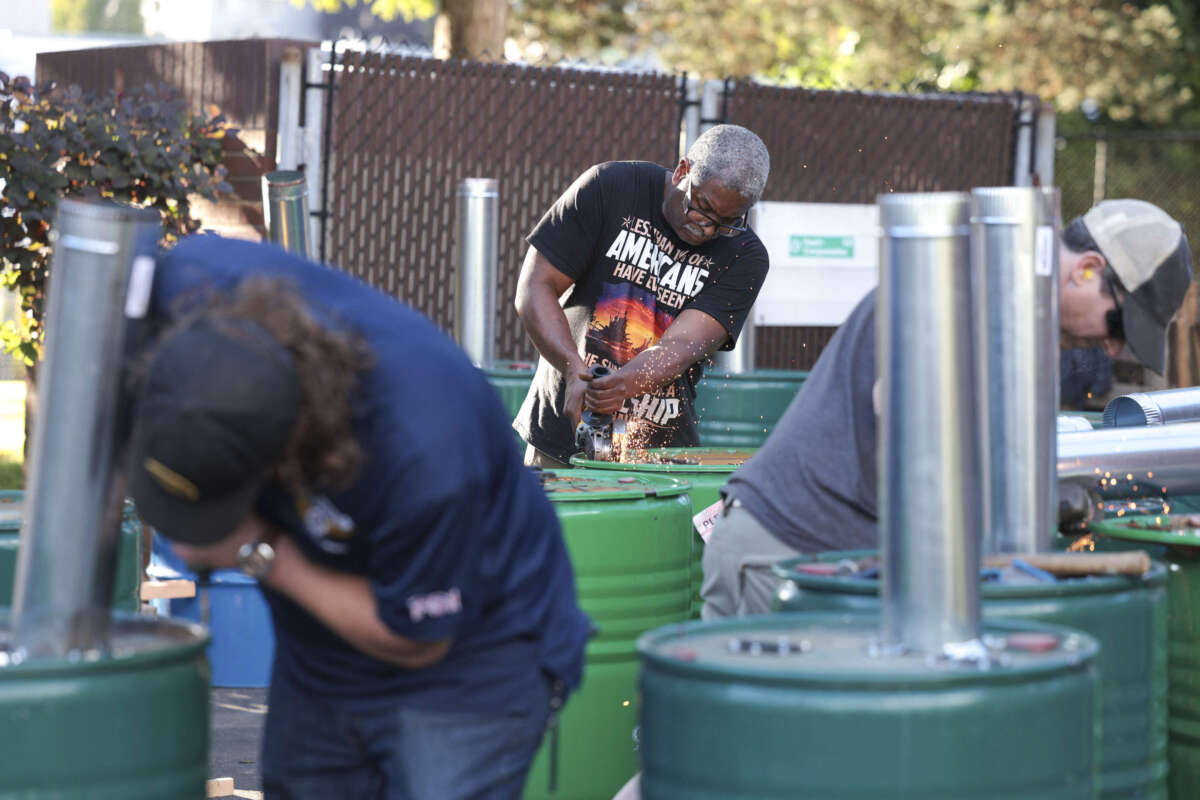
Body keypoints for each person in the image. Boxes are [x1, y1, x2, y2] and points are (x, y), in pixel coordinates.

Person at [127, 235, 591, 799]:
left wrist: (254, 550)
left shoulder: (422, 454)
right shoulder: (178, 287)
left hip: (472, 660)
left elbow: (416, 638)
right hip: (323, 650)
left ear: (288, 453)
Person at [702, 198, 1195, 618]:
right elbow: (902, 412)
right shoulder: (972, 290)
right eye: (1119, 326)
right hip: (782, 552)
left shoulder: (1017, 309)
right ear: (1089, 270)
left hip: (830, 555)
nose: (1113, 350)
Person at [513, 124, 771, 467]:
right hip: (561, 435)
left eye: (727, 221)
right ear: (683, 170)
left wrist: (622, 385)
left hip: (660, 454)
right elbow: (535, 287)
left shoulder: (745, 255)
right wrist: (573, 368)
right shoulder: (610, 187)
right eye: (702, 207)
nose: (707, 227)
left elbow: (681, 346)